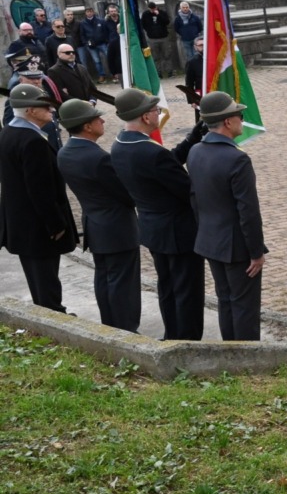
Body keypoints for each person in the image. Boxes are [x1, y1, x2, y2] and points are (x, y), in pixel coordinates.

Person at [110, 88, 206, 341]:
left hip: (153, 229)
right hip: (179, 232)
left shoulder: (120, 144)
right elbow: (187, 189)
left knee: (168, 288)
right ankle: (187, 343)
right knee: (187, 292)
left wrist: (191, 139)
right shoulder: (151, 151)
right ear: (144, 117)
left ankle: (172, 334)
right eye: (155, 110)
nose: (158, 113)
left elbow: (166, 163)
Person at [188, 91, 268, 341]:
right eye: (239, 116)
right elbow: (248, 212)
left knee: (226, 300)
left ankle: (229, 351)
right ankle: (247, 358)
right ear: (227, 122)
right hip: (237, 247)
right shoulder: (237, 159)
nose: (242, 121)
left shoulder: (195, 152)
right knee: (244, 306)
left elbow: (194, 199)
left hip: (210, 240)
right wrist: (256, 252)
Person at [56, 99, 141, 332]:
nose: (103, 120)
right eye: (97, 118)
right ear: (87, 126)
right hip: (117, 228)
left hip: (95, 224)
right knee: (123, 283)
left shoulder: (65, 152)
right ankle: (126, 331)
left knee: (104, 279)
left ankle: (110, 326)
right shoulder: (98, 157)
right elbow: (126, 194)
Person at [0, 84, 77, 312]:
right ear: (31, 111)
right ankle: (55, 319)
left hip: (20, 223)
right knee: (46, 279)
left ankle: (47, 313)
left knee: (37, 277)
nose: (51, 111)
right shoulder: (32, 141)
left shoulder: (8, 132)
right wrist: (56, 224)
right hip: (38, 226)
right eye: (45, 107)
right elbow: (40, 189)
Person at [78, 5, 111, 82]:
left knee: (109, 57)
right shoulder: (83, 23)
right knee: (97, 61)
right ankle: (102, 75)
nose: (89, 13)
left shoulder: (101, 21)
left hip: (102, 43)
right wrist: (86, 43)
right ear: (85, 13)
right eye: (87, 11)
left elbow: (106, 31)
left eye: (91, 11)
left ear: (93, 12)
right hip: (91, 46)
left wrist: (106, 41)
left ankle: (114, 74)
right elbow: (82, 35)